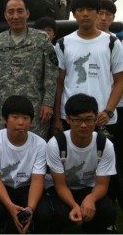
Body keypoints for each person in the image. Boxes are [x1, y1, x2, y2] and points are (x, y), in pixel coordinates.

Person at [0, 0, 58, 139]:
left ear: (28, 13)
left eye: (20, 11)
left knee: (34, 148)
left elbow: (51, 75)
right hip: (3, 109)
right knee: (3, 147)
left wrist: (48, 103)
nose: (15, 16)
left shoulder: (42, 39)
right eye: (10, 12)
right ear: (5, 15)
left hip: (34, 109)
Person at [53, 0, 123, 133]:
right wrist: (56, 118)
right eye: (80, 10)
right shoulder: (62, 44)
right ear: (74, 14)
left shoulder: (112, 43)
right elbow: (59, 83)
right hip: (71, 118)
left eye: (90, 9)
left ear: (97, 13)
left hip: (102, 118)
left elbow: (120, 81)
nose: (85, 14)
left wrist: (108, 111)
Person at [47, 93, 116, 233]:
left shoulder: (104, 144)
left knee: (108, 211)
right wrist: (74, 205)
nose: (84, 125)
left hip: (89, 188)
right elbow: (60, 185)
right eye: (77, 120)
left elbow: (102, 184)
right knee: (58, 214)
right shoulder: (56, 144)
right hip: (63, 189)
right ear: (68, 120)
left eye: (89, 119)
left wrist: (91, 198)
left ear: (96, 118)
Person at [0, 95, 52, 234]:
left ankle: (31, 226)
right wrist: (10, 207)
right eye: (15, 117)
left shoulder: (40, 144)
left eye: (26, 118)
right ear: (5, 119)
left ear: (31, 121)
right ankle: (3, 225)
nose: (21, 122)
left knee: (45, 212)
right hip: (3, 186)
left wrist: (30, 209)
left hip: (27, 187)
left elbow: (38, 180)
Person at [95, 0, 123, 207]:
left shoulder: (115, 42)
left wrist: (110, 109)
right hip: (86, 111)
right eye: (101, 13)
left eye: (109, 15)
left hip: (113, 110)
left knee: (112, 156)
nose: (104, 19)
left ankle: (110, 199)